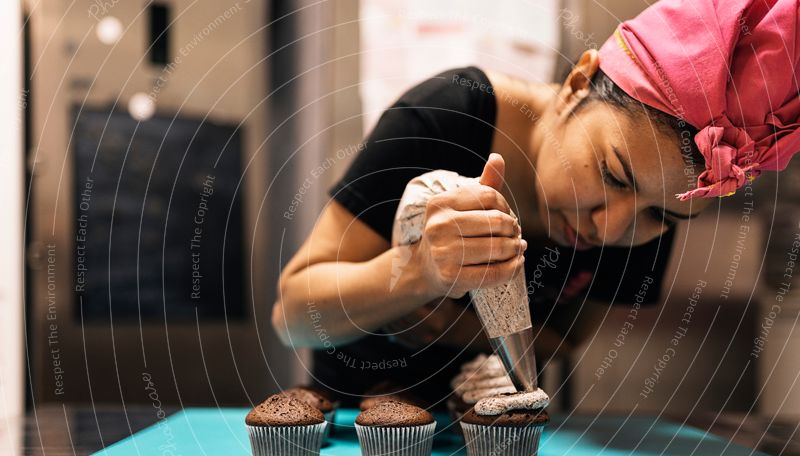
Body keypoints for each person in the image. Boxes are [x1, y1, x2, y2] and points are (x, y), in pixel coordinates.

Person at [272, 0, 800, 409]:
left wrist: (465, 330)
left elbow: (567, 337)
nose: (611, 226)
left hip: (505, 438)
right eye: (612, 174)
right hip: (349, 426)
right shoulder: (445, 119)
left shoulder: (660, 199)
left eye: (661, 216)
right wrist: (415, 275)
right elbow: (292, 314)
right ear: (577, 84)